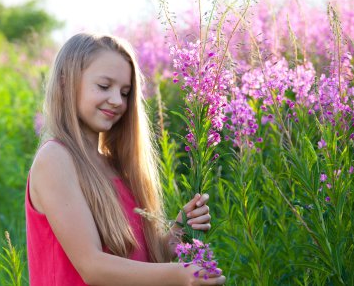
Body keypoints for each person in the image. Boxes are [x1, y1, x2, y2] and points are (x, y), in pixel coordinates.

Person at [25, 32, 226, 286]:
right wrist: (181, 275)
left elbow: (139, 265)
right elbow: (93, 267)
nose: (117, 101)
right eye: (104, 86)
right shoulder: (55, 159)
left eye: (125, 92)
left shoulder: (115, 164)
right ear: (66, 83)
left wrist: (177, 234)